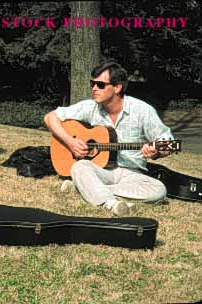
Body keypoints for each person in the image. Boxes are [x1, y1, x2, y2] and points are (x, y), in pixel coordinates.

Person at [44, 61, 174, 216]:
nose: (94, 88)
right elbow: (50, 117)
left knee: (159, 190)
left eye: (100, 85)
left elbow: (170, 143)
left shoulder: (142, 111)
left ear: (117, 87)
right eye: (92, 83)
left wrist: (157, 151)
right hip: (100, 170)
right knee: (79, 166)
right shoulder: (90, 107)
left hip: (131, 175)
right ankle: (110, 203)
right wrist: (70, 142)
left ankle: (84, 188)